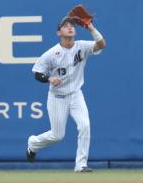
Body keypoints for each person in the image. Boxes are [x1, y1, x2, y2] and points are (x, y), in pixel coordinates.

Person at [26, 14, 106, 172]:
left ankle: (81, 165)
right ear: (58, 33)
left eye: (72, 26)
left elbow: (101, 44)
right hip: (57, 97)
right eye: (65, 26)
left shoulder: (82, 46)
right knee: (57, 135)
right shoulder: (51, 53)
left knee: (85, 125)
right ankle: (33, 143)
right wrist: (49, 79)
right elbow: (37, 73)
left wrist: (90, 27)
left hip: (76, 94)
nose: (70, 27)